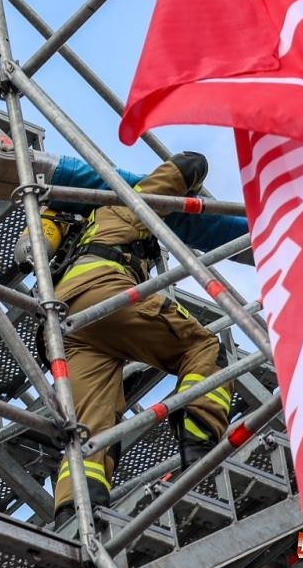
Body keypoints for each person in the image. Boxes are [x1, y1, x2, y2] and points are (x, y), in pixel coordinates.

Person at [46, 151, 247, 523]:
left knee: (92, 424)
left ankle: (76, 510)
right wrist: (194, 181)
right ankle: (198, 434)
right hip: (105, 289)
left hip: (66, 322)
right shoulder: (121, 203)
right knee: (201, 347)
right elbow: (188, 163)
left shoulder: (69, 250)